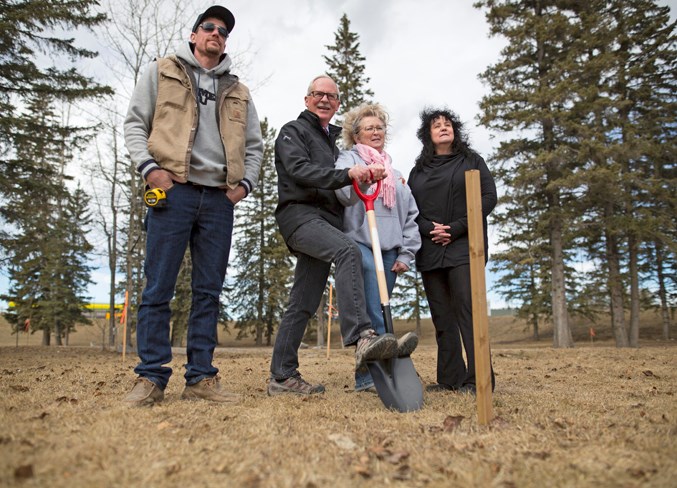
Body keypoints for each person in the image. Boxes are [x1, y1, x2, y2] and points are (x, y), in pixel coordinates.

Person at [123, 6, 263, 406]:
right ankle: (151, 377)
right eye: (209, 27)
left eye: (223, 31)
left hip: (219, 198)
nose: (216, 34)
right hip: (173, 191)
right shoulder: (162, 70)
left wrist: (244, 186)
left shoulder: (238, 90)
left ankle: (201, 378)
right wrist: (151, 170)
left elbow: (253, 145)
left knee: (209, 292)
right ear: (194, 34)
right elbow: (135, 123)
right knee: (158, 287)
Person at [268, 76, 399, 396]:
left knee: (303, 301)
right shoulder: (292, 131)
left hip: (326, 222)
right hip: (300, 217)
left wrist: (379, 176)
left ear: (338, 104)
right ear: (307, 99)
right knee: (347, 251)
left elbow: (357, 168)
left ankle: (282, 376)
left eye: (331, 96)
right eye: (318, 94)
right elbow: (300, 170)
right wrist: (346, 174)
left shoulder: (335, 142)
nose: (324, 100)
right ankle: (361, 336)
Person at [408, 108, 497, 394]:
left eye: (448, 124)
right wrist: (429, 229)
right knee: (442, 316)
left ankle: (478, 378)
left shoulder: (472, 161)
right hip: (430, 249)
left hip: (464, 246)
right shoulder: (418, 170)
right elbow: (410, 210)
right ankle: (449, 378)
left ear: (455, 130)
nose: (443, 128)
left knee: (468, 312)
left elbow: (488, 196)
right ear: (428, 134)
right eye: (437, 125)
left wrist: (457, 227)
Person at [334, 103, 421, 392]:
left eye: (379, 127)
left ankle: (380, 372)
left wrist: (407, 252)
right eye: (369, 128)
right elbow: (341, 192)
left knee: (380, 307)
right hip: (360, 242)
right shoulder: (347, 159)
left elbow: (410, 215)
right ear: (356, 135)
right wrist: (360, 174)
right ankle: (369, 377)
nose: (376, 132)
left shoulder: (395, 173)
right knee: (372, 308)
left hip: (390, 249)